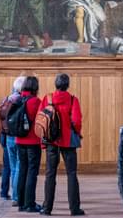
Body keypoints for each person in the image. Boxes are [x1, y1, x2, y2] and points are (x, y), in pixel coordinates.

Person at [40, 73, 84, 216]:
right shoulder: (73, 100)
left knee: (50, 174)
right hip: (69, 141)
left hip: (52, 141)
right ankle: (74, 209)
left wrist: (43, 142)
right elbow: (76, 121)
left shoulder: (47, 98)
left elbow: (41, 120)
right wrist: (76, 132)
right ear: (67, 85)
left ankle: (47, 209)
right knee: (71, 174)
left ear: (56, 84)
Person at [15, 76, 43, 213]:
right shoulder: (36, 102)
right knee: (32, 172)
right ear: (35, 87)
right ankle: (30, 204)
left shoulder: (17, 99)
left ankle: (20, 203)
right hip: (33, 142)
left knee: (22, 171)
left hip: (19, 141)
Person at [6, 76, 26, 205]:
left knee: (13, 168)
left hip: (8, 137)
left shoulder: (6, 100)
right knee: (19, 167)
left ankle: (14, 195)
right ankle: (17, 197)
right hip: (18, 137)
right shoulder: (22, 101)